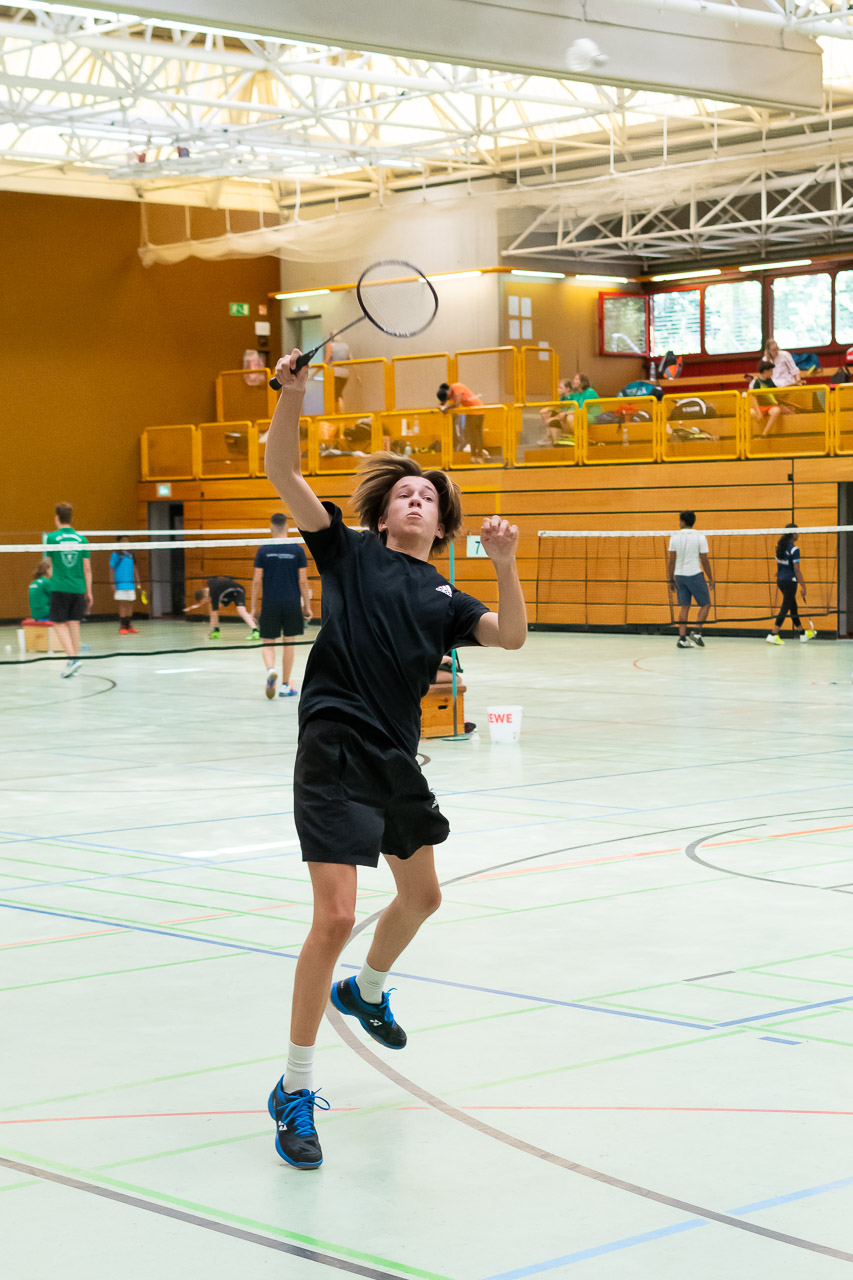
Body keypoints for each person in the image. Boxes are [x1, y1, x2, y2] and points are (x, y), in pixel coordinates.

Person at [264, 348, 527, 1170]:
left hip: (395, 760)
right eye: (405, 493)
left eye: (430, 498)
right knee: (336, 918)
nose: (416, 498)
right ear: (382, 517)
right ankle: (294, 1087)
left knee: (422, 898)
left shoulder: (447, 597)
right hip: (332, 746)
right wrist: (292, 394)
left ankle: (366, 990)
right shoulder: (344, 550)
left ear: (441, 527)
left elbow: (511, 637)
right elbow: (281, 470)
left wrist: (505, 566)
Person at [250, 513, 312, 699]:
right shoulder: (297, 550)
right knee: (289, 643)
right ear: (287, 528)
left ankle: (271, 671)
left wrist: (253, 607)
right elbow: (303, 581)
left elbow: (256, 580)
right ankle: (285, 685)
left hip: (270, 602)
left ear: (271, 528)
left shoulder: (263, 550)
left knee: (267, 642)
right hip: (292, 602)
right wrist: (307, 606)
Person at [45, 502, 92, 678]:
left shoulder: (51, 538)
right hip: (78, 588)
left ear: (57, 517)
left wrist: (53, 577)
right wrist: (89, 591)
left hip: (60, 587)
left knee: (59, 623)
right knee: (74, 623)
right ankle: (74, 660)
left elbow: (48, 563)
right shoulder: (82, 539)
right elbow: (87, 568)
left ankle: (72, 659)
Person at [667, 510, 714, 649]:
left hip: (679, 576)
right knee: (706, 604)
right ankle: (696, 632)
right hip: (694, 574)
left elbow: (671, 560)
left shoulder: (674, 537)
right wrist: (711, 578)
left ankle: (682, 639)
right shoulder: (700, 537)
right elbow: (704, 560)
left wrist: (670, 579)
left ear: (683, 521)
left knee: (684, 607)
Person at [766, 524, 816, 645]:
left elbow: (780, 564)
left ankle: (802, 633)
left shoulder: (780, 547)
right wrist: (803, 586)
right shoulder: (794, 549)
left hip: (781, 581)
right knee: (785, 607)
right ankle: (773, 634)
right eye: (797, 532)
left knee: (793, 607)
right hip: (790, 582)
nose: (798, 534)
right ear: (793, 534)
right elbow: (797, 570)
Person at [183, 576, 259, 639]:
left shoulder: (214, 594)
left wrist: (211, 628)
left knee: (240, 610)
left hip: (237, 590)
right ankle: (216, 631)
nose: (207, 601)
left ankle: (255, 631)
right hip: (230, 592)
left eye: (206, 600)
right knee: (212, 606)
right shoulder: (210, 583)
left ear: (206, 595)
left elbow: (214, 613)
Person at [436, 381, 487, 461]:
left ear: (448, 390)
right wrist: (440, 406)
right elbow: (442, 402)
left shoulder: (457, 387)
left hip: (477, 410)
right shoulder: (449, 394)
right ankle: (473, 455)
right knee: (470, 434)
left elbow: (457, 404)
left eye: (447, 395)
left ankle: (479, 455)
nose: (448, 398)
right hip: (470, 412)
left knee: (476, 434)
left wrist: (447, 408)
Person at [749, 360, 795, 437]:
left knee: (776, 410)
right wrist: (758, 412)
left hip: (770, 406)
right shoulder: (757, 382)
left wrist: (794, 384)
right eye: (771, 371)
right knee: (750, 412)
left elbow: (778, 391)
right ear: (765, 371)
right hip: (760, 407)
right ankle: (753, 434)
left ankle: (764, 433)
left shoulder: (770, 381)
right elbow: (753, 397)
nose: (772, 373)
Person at [109, 536, 141, 635]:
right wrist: (112, 583)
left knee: (130, 603)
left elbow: (134, 568)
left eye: (127, 540)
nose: (126, 542)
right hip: (120, 583)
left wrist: (138, 581)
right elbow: (111, 569)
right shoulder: (116, 554)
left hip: (130, 583)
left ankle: (129, 625)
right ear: (118, 542)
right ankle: (122, 626)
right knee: (123, 604)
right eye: (123, 540)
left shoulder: (131, 554)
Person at [325, 339, 351, 413]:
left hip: (336, 373)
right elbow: (351, 359)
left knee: (337, 394)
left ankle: (339, 413)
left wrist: (315, 372)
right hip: (345, 373)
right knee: (339, 393)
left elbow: (326, 360)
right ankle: (340, 412)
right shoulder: (346, 346)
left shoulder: (330, 345)